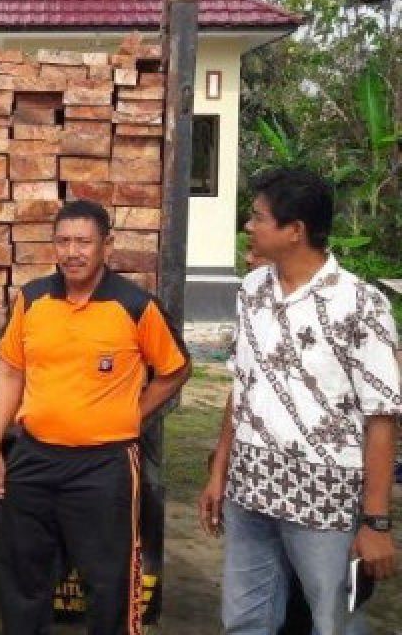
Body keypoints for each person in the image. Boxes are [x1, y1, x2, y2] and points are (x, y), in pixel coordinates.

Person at [198, 168, 399, 635]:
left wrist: (376, 522)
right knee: (245, 620)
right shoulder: (251, 292)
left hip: (324, 500)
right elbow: (242, 385)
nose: (248, 226)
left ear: (295, 231)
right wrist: (218, 472)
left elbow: (382, 417)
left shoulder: (360, 305)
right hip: (250, 491)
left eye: (258, 217)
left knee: (332, 621)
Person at [0, 199, 191, 635]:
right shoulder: (33, 299)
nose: (73, 252)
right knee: (23, 577)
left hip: (104, 467)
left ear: (106, 246)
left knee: (108, 583)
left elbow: (175, 369)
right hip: (34, 459)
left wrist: (135, 412)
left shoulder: (133, 305)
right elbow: (10, 370)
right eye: (63, 241)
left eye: (84, 242)